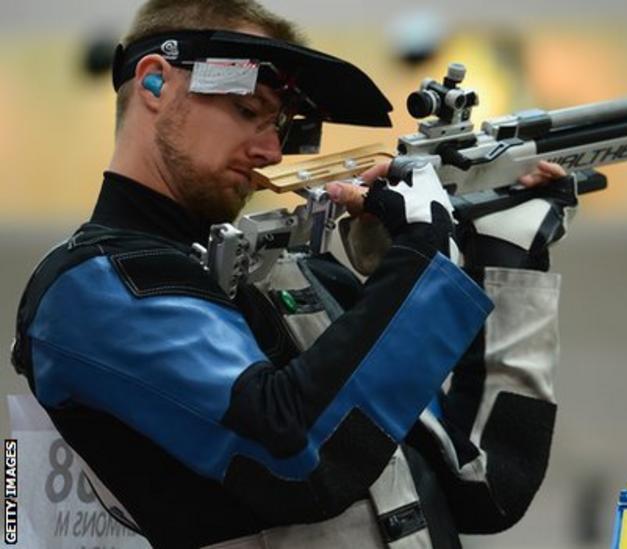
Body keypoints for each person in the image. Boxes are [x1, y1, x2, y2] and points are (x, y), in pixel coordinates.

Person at [11, 1, 577, 548]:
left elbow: (487, 485)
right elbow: (300, 457)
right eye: (248, 110)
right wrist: (420, 259)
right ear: (156, 82)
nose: (271, 150)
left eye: (282, 126)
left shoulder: (291, 275)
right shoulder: (89, 288)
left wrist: (506, 255)